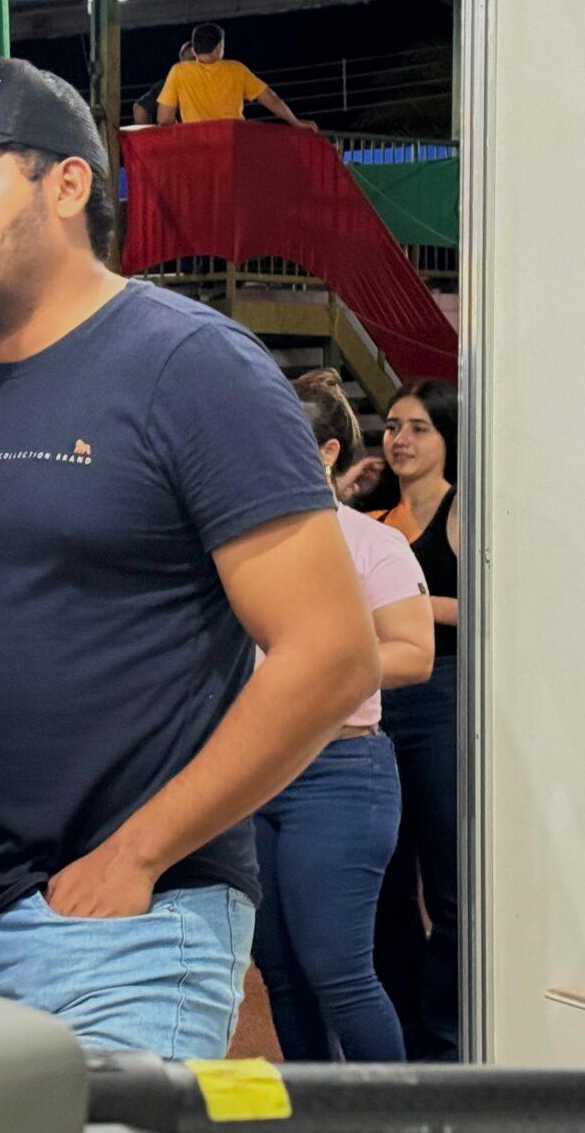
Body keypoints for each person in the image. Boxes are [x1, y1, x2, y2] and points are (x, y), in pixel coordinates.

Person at [0, 53, 378, 1058]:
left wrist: (135, 856)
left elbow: (330, 656)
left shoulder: (191, 367)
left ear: (68, 183)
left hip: (118, 933)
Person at [252, 369, 435, 1063]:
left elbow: (414, 655)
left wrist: (312, 660)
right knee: (282, 974)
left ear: (328, 453)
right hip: (257, 769)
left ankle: (396, 1115)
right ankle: (317, 1113)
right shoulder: (244, 544)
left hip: (342, 771)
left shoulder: (372, 545)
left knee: (339, 972)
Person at [365, 377, 461, 1061]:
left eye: (418, 427)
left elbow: (494, 603)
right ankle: (405, 1037)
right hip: (375, 705)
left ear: (449, 437)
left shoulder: (465, 515)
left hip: (445, 698)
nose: (400, 439)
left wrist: (409, 606)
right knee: (386, 885)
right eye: (393, 425)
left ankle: (450, 1033)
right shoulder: (373, 521)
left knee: (451, 884)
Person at [157, 23, 317, 131]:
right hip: (235, 143)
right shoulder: (236, 69)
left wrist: (181, 133)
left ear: (194, 50)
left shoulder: (178, 71)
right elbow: (270, 98)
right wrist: (295, 122)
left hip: (198, 147)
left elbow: (164, 119)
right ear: (218, 47)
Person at [132, 41, 194, 126]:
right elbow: (140, 109)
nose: (193, 65)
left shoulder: (168, 84)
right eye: (191, 61)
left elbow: (140, 108)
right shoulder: (166, 85)